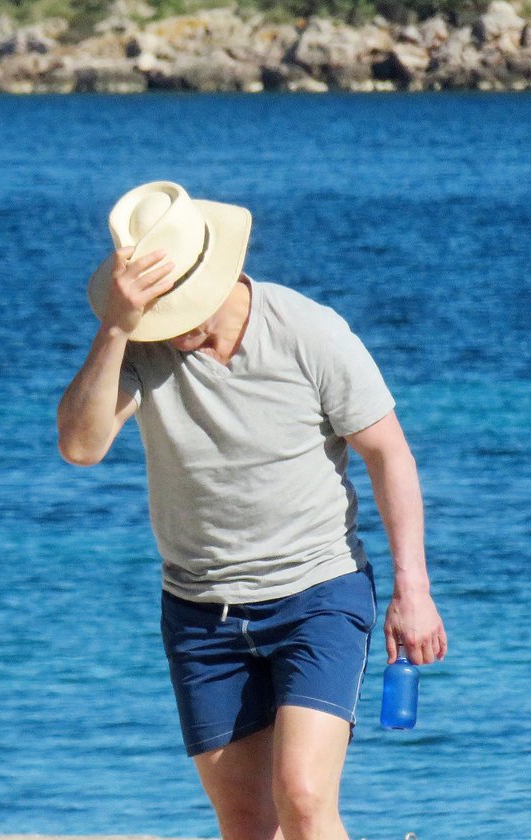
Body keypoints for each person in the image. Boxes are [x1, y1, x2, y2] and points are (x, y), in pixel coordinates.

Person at [56, 181, 447, 840]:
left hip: (317, 595)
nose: (170, 327)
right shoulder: (141, 348)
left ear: (223, 275)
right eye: (157, 312)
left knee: (301, 796)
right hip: (200, 612)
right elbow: (80, 445)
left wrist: (414, 590)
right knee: (244, 822)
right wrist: (117, 327)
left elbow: (390, 456)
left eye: (180, 308)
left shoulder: (309, 332)